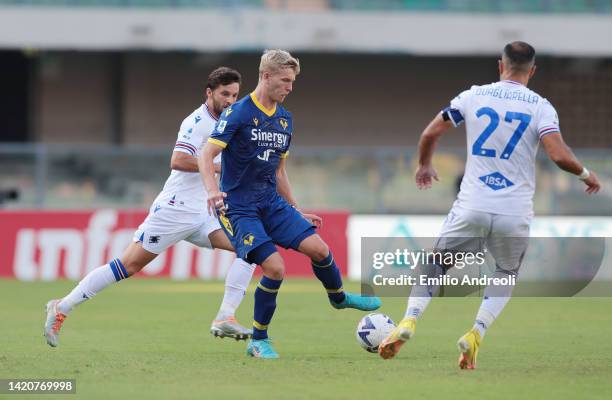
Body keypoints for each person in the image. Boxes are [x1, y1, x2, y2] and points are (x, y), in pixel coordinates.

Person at [378, 41, 601, 368]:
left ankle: (409, 320)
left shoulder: (473, 95)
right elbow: (558, 154)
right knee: (506, 271)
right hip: (514, 210)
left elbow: (429, 134)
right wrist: (585, 174)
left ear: (501, 65)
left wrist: (425, 164)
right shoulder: (541, 106)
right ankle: (475, 333)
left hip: (472, 204)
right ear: (532, 71)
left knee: (436, 264)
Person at [44, 67, 256, 347]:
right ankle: (62, 306)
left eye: (235, 95)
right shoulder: (197, 122)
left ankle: (225, 317)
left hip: (205, 212)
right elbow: (178, 160)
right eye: (225, 94)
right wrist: (219, 166)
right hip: (175, 210)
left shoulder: (229, 122)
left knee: (252, 247)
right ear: (209, 93)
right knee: (127, 266)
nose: (230, 100)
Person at [200, 49, 381, 359]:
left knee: (320, 249)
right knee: (275, 268)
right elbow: (205, 155)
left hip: (271, 202)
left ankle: (338, 297)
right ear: (266, 76)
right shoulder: (239, 113)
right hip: (239, 208)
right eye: (285, 80)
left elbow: (279, 170)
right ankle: (259, 340)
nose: (290, 87)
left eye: (293, 81)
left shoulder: (285, 119)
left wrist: (295, 208)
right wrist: (212, 191)